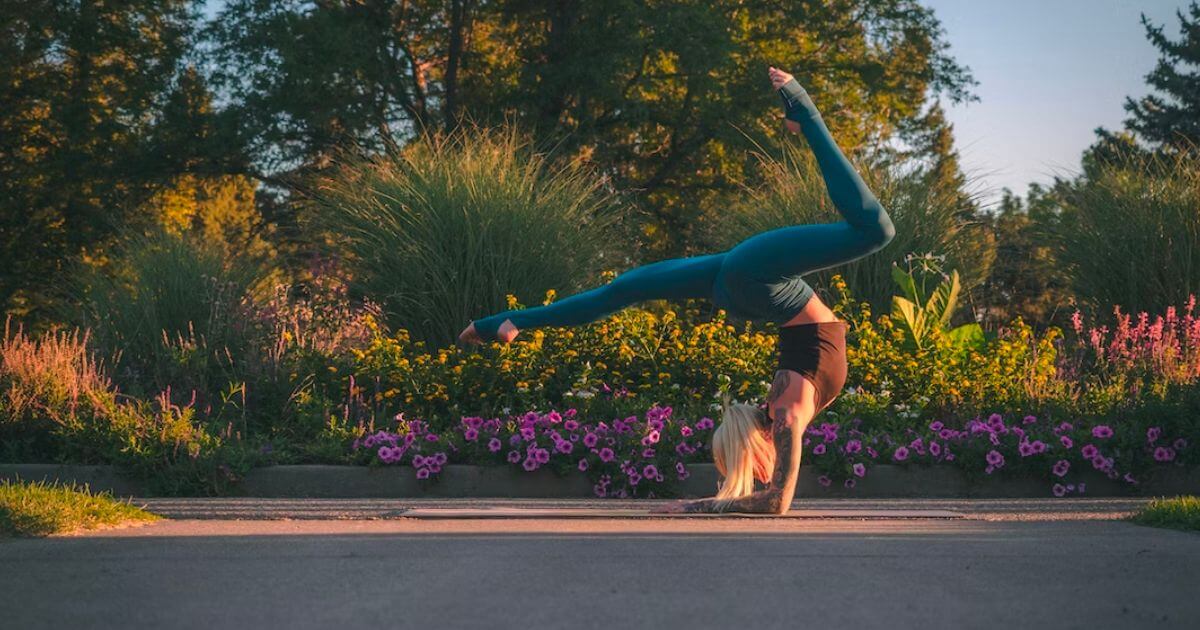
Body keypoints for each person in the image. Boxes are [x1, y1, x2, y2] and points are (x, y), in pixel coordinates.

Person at [459, 66, 895, 514]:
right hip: (746, 286)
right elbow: (776, 501)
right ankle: (505, 323)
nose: (767, 471)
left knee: (874, 231)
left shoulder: (786, 413)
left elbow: (775, 503)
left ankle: (806, 116)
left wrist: (694, 508)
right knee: (623, 291)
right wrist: (707, 505)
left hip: (757, 281)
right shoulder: (787, 415)